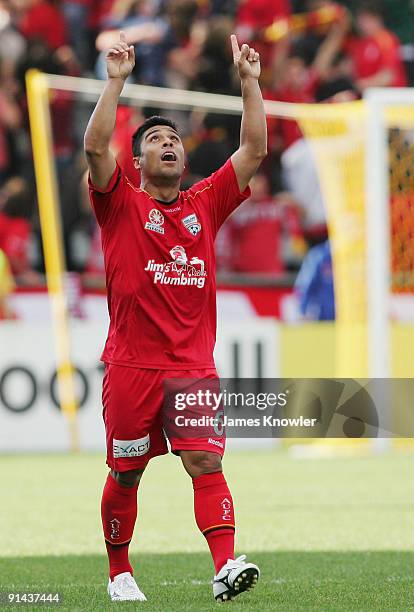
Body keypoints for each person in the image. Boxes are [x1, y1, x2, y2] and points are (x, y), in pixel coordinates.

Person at [84, 31, 267, 602]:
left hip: (190, 365)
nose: (169, 145)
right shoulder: (120, 202)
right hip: (132, 365)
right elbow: (94, 148)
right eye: (156, 140)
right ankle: (119, 572)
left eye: (174, 140)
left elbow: (254, 151)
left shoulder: (203, 204)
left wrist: (250, 83)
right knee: (127, 474)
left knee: (204, 462)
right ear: (136, 161)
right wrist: (115, 83)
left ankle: (224, 564)